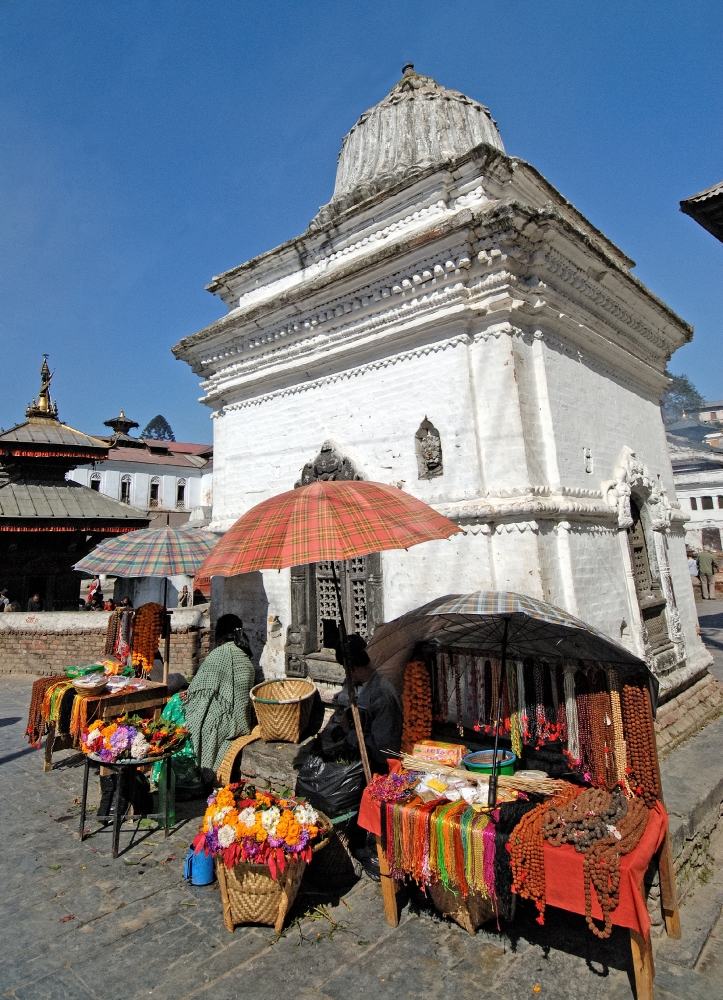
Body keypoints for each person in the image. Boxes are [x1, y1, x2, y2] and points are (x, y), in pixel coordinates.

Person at [152, 614, 255, 787]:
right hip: (242, 719)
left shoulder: (220, 654)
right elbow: (211, 686)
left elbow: (201, 691)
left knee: (176, 703)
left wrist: (188, 694)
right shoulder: (244, 655)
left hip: (225, 720)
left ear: (219, 635)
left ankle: (177, 774)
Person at [322, 633, 402, 775]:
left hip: (380, 769)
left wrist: (349, 732)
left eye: (344, 668)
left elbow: (383, 750)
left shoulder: (380, 695)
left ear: (350, 668)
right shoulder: (370, 686)